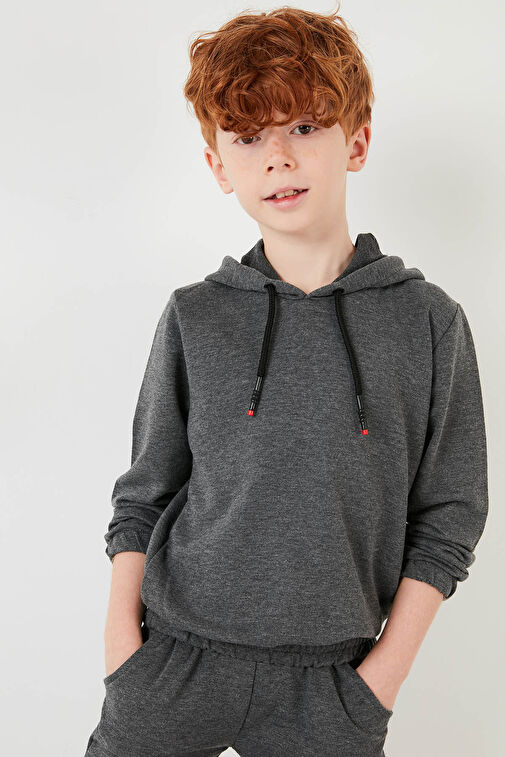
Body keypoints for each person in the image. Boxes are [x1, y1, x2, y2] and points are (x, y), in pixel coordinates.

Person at [84, 6, 489, 757]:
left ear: (356, 141)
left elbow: (450, 516)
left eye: (303, 127)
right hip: (173, 662)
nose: (277, 157)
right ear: (218, 166)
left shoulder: (428, 322)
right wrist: (122, 654)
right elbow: (143, 494)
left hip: (332, 689)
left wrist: (378, 683)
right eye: (247, 137)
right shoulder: (196, 315)